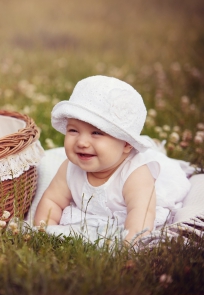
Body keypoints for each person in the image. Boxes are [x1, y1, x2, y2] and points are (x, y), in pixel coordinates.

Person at [33, 75, 191, 245]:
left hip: (144, 200)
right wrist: (44, 231)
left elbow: (141, 213)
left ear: (126, 144)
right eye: (73, 130)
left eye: (96, 133)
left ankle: (159, 150)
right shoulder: (69, 168)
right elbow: (52, 200)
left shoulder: (135, 174)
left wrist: (129, 246)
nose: (81, 142)